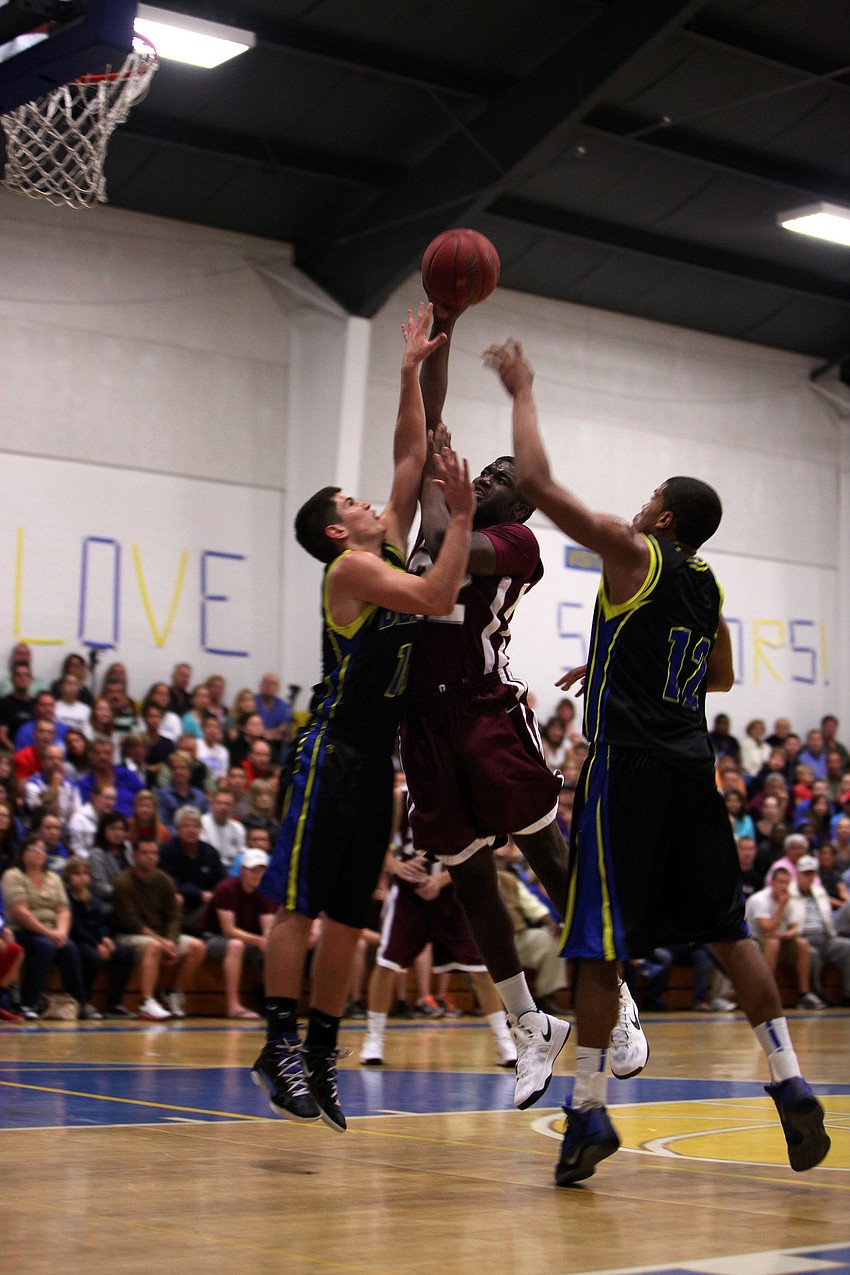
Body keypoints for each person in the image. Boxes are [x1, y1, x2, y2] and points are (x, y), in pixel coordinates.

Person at [487, 335, 830, 1181]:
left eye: (650, 498)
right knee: (727, 928)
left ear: (666, 516)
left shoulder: (632, 553)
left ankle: (590, 1110)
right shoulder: (708, 584)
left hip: (628, 766)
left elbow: (535, 486)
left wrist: (524, 388)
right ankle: (789, 1081)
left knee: (596, 946)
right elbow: (719, 671)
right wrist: (614, 659)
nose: (639, 504)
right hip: (691, 763)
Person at [399, 306, 647, 1112]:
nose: (495, 474)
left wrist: (454, 496)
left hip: (485, 711)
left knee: (551, 862)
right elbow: (432, 421)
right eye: (490, 470)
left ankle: (618, 997)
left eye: (506, 476)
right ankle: (529, 1023)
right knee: (470, 878)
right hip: (425, 726)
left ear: (518, 505)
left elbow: (454, 544)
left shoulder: (515, 545)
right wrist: (445, 327)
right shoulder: (445, 515)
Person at [251, 302, 476, 1131]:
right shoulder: (352, 568)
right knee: (300, 908)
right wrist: (465, 517)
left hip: (373, 759)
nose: (371, 500)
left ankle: (319, 1048)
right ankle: (276, 1043)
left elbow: (411, 453)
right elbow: (436, 594)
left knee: (349, 914)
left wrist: (410, 368)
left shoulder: (375, 546)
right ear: (335, 527)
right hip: (330, 752)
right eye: (353, 498)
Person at [111, 839, 205, 1020]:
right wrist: (163, 942)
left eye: (154, 854)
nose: (150, 858)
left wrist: (171, 940)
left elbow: (174, 916)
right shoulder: (123, 882)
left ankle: (173, 994)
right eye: (145, 853)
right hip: (128, 935)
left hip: (160, 935)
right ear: (134, 856)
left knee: (197, 947)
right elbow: (131, 922)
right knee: (153, 946)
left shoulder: (164, 880)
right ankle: (147, 1001)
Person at [1, 833, 88, 1018]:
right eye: (33, 848)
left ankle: (80, 1003)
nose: (39, 852)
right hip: (24, 930)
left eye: (42, 849)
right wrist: (49, 934)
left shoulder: (53, 878)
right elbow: (20, 912)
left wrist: (61, 932)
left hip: (52, 930)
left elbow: (64, 910)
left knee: (70, 948)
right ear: (23, 853)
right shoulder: (13, 875)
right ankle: (29, 1002)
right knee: (44, 947)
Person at [201, 848, 276, 1018]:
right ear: (242, 870)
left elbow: (268, 928)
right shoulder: (226, 888)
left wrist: (267, 940)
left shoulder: (267, 892)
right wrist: (260, 940)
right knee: (236, 945)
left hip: (249, 941)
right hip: (214, 938)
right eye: (253, 870)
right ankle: (233, 1006)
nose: (257, 875)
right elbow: (228, 930)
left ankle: (271, 1002)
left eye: (261, 870)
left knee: (274, 947)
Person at [64, 855, 134, 1018]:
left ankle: (114, 1003)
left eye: (85, 874)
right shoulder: (66, 896)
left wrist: (105, 938)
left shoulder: (92, 895)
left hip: (96, 939)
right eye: (77, 874)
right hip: (79, 939)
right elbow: (75, 927)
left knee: (124, 955)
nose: (82, 879)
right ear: (68, 876)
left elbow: (100, 921)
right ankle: (84, 1002)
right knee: (92, 957)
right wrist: (96, 944)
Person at [744, 868, 821, 1009]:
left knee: (802, 944)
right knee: (773, 944)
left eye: (787, 882)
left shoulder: (787, 899)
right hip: (754, 940)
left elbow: (794, 929)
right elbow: (766, 928)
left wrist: (782, 934)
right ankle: (767, 994)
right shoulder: (759, 899)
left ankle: (804, 994)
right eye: (780, 882)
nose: (784, 886)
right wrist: (780, 906)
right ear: (772, 883)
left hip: (777, 939)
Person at [158, 806, 226, 934]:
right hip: (179, 906)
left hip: (207, 905)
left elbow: (222, 880)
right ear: (177, 829)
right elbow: (171, 882)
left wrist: (216, 895)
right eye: (186, 826)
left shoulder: (209, 851)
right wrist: (199, 894)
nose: (191, 830)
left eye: (195, 826)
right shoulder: (167, 851)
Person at [201, 788, 246, 869]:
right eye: (219, 803)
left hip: (231, 870)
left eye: (227, 804)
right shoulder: (202, 823)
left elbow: (241, 854)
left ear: (233, 807)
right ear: (212, 804)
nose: (223, 807)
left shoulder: (238, 827)